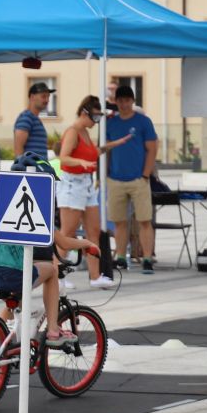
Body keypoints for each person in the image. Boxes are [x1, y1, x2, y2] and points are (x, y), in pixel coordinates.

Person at [0, 154, 99, 344]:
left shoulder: (0, 210)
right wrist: (88, 244)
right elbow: (64, 243)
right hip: (13, 275)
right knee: (52, 271)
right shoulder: (36, 212)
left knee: (15, 302)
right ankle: (53, 329)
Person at [57, 96, 129, 289]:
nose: (96, 122)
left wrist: (117, 143)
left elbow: (93, 153)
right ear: (84, 113)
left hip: (87, 185)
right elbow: (63, 158)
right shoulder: (73, 131)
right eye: (95, 117)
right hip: (72, 184)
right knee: (68, 232)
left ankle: (95, 276)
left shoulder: (86, 132)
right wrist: (80, 162)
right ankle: (56, 275)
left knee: (93, 232)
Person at [105, 84, 158, 274]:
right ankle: (120, 256)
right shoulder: (110, 123)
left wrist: (145, 174)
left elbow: (152, 148)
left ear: (133, 101)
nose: (124, 104)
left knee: (144, 220)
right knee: (119, 221)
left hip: (138, 179)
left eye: (127, 100)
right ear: (116, 101)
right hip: (116, 178)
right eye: (120, 101)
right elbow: (105, 150)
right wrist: (104, 175)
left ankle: (146, 258)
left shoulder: (143, 121)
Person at [14, 82, 53, 160]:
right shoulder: (26, 118)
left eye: (48, 96)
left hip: (36, 170)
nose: (47, 100)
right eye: (43, 96)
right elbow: (18, 147)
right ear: (32, 97)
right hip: (30, 170)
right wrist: (21, 169)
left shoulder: (34, 119)